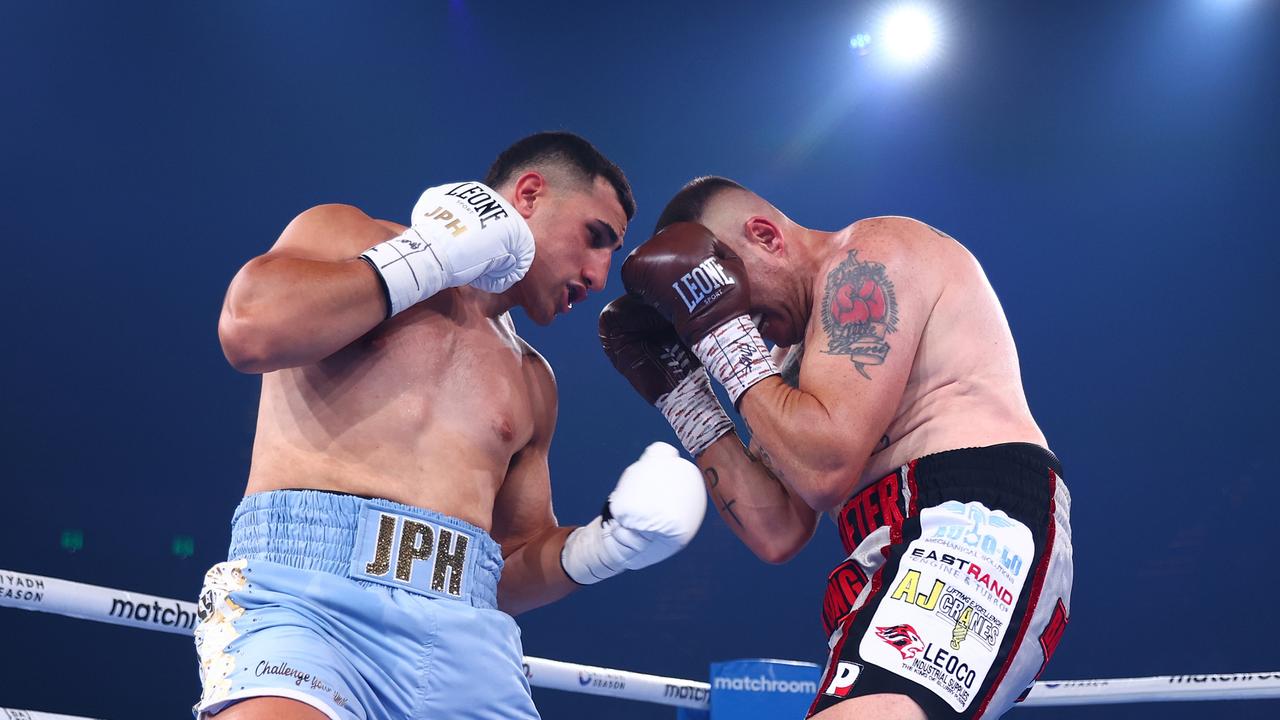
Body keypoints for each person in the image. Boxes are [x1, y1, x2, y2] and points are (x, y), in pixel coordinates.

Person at [194, 132, 707, 720]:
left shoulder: (532, 379)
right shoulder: (350, 236)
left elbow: (508, 566)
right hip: (305, 605)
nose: (598, 275)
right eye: (596, 238)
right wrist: (427, 259)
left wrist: (610, 545)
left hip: (466, 639)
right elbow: (250, 329)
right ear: (530, 194)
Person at [600, 176, 1071, 720]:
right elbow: (777, 531)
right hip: (884, 548)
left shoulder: (869, 258)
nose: (740, 325)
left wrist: (719, 332)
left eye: (731, 296)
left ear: (766, 236)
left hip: (975, 522)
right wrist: (686, 398)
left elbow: (826, 467)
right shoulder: (786, 368)